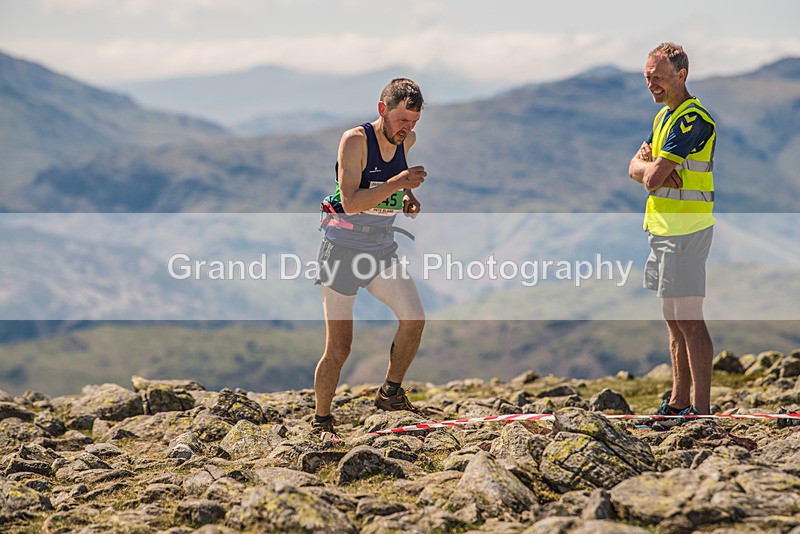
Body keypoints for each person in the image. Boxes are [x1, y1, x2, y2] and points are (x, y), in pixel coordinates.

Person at [311, 78, 427, 441]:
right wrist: (399, 183)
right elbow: (350, 203)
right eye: (401, 119)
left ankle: (390, 393)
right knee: (339, 349)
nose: (406, 129)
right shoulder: (355, 141)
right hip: (342, 251)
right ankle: (321, 421)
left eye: (413, 122)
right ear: (382, 110)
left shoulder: (406, 141)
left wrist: (407, 198)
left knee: (414, 319)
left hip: (380, 250)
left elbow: (392, 185)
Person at [627, 43, 717, 429]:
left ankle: (701, 411)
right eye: (648, 77)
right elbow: (638, 169)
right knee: (673, 318)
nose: (652, 84)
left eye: (659, 77)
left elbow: (650, 179)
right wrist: (646, 168)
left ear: (681, 75)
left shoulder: (690, 120)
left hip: (686, 231)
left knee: (690, 320)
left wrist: (649, 170)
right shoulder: (664, 116)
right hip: (664, 229)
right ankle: (679, 402)